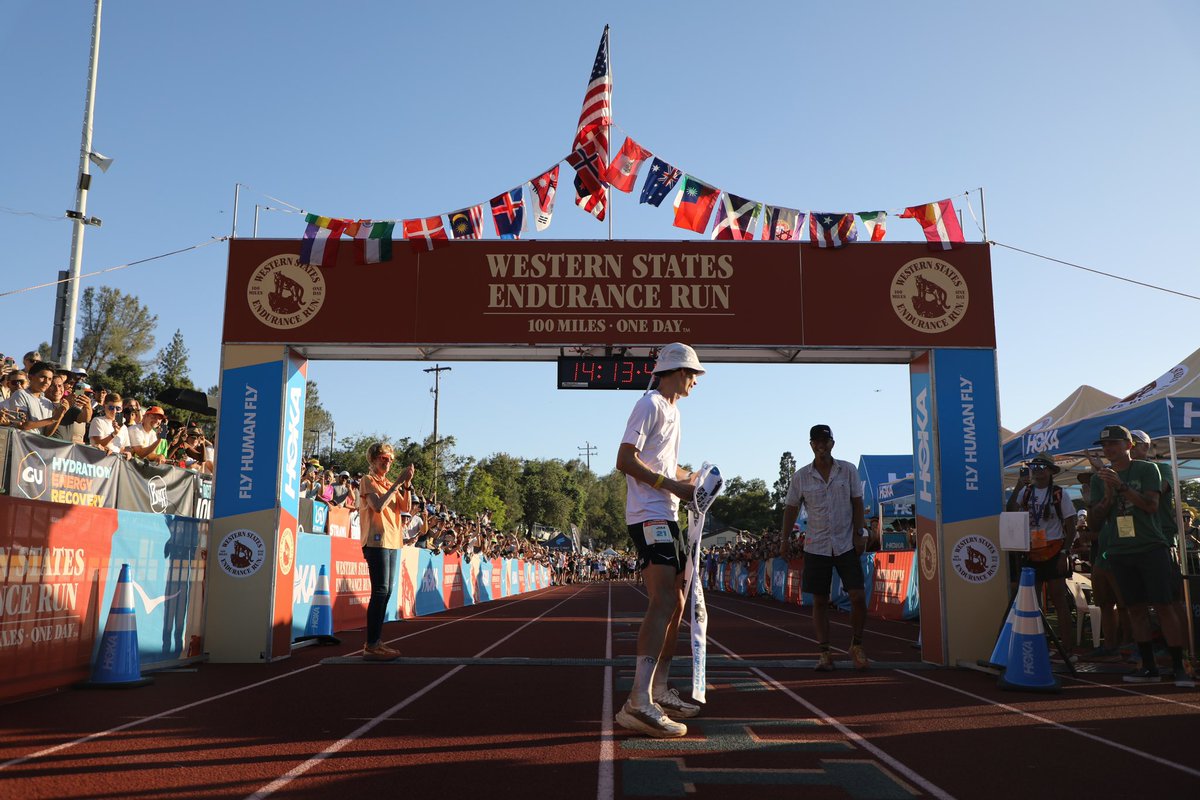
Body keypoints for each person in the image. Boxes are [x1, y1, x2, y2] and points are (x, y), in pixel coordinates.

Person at [614, 342, 703, 739]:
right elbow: (625, 460)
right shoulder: (649, 403)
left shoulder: (674, 411)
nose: (694, 382)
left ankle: (659, 688)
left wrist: (695, 481)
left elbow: (663, 463)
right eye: (691, 374)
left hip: (666, 512)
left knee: (679, 600)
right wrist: (673, 485)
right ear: (673, 370)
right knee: (664, 599)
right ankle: (638, 700)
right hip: (649, 514)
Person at [1087, 425, 1194, 686]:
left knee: (1164, 605)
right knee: (1134, 609)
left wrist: (1121, 487)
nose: (1108, 449)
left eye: (1114, 443)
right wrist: (1108, 494)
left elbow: (1150, 506)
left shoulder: (1148, 469)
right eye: (1104, 445)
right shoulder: (1099, 478)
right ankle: (1148, 666)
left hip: (1151, 546)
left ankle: (1179, 665)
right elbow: (1095, 521)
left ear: (1129, 445)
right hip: (1119, 550)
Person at [779, 424, 870, 671]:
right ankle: (824, 652)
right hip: (816, 545)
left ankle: (857, 645)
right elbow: (790, 508)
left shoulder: (848, 470)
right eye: (816, 441)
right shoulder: (801, 476)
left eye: (825, 441)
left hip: (845, 543)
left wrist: (859, 533)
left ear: (832, 443)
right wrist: (784, 540)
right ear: (811, 444)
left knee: (858, 596)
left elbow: (857, 502)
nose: (821, 445)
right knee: (820, 601)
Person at [1006, 453, 1078, 656]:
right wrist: (1020, 485)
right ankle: (1040, 645)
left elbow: (1072, 527)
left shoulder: (1059, 493)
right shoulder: (1026, 492)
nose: (1037, 470)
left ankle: (1067, 648)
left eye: (1042, 467)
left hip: (1054, 549)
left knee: (1059, 599)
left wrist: (1065, 552)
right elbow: (1011, 510)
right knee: (1033, 602)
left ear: (1050, 471)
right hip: (1031, 552)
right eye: (1034, 467)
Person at [357, 442, 415, 661]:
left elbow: (406, 508)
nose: (388, 462)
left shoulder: (390, 482)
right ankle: (371, 644)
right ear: (373, 459)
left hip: (392, 541)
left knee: (387, 592)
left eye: (390, 459)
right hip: (376, 541)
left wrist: (406, 484)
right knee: (380, 591)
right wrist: (398, 483)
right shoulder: (367, 480)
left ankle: (376, 641)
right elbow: (378, 506)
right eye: (383, 458)